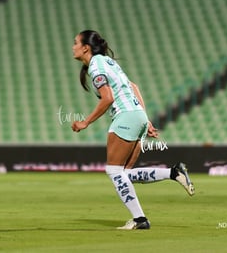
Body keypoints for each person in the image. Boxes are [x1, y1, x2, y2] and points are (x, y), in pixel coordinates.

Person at [71, 30, 195, 230]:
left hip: (125, 117)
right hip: (137, 114)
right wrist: (145, 119)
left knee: (114, 171)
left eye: (75, 42)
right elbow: (134, 86)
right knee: (125, 175)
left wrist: (85, 122)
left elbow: (108, 99)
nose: (73, 46)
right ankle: (174, 173)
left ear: (86, 47)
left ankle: (140, 219)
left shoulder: (95, 66)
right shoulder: (108, 62)